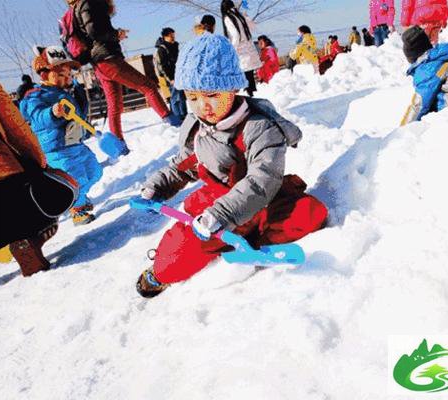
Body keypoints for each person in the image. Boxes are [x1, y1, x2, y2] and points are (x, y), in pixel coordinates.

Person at [135, 34, 328, 297]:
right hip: (215, 204)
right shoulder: (196, 128)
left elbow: (263, 179)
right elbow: (185, 166)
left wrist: (226, 215)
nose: (203, 106)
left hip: (260, 199)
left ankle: (253, 241)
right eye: (192, 97)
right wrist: (157, 186)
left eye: (212, 95)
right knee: (182, 249)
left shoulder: (259, 127)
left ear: (233, 88)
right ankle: (159, 273)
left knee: (310, 213)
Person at [68, 0, 179, 152]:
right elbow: (95, 31)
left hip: (99, 63)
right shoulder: (88, 2)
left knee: (115, 105)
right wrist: (116, 34)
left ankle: (119, 147)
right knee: (148, 87)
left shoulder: (76, 8)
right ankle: (174, 124)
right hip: (107, 58)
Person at [20, 46, 102, 225]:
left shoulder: (67, 92)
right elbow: (37, 117)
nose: (67, 78)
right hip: (56, 148)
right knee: (76, 179)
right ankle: (77, 210)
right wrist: (52, 112)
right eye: (60, 75)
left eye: (68, 74)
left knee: (95, 171)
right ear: (44, 75)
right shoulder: (35, 96)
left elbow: (78, 116)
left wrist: (87, 130)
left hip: (75, 143)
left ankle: (75, 198)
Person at [0, 77, 62, 276]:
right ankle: (27, 240)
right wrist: (39, 162)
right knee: (47, 200)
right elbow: (14, 125)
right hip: (3, 175)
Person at [400, 26, 448, 125]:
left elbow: (419, 104)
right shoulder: (443, 54)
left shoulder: (427, 69)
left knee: (429, 105)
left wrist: (403, 129)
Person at [221, 0, 262, 97]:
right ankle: (252, 97)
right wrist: (246, 15)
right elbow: (253, 27)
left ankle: (249, 103)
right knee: (249, 77)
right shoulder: (239, 15)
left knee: (243, 78)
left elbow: (235, 35)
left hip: (241, 51)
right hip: (249, 49)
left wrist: (232, 50)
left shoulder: (228, 18)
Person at [155, 27, 187, 123]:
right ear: (165, 37)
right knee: (174, 97)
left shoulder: (175, 46)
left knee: (181, 96)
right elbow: (163, 66)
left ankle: (184, 115)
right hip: (171, 77)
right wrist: (170, 79)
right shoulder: (162, 49)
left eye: (173, 35)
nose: (173, 37)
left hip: (179, 75)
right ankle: (177, 117)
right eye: (170, 36)